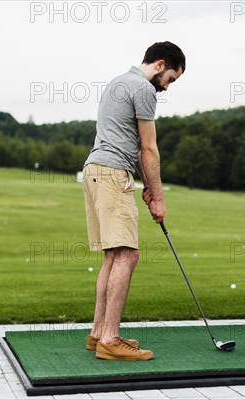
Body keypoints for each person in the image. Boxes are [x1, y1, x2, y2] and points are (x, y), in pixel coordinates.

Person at [82, 41, 186, 361]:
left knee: (113, 256)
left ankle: (99, 332)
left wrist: (143, 182)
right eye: (169, 79)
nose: (166, 88)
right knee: (128, 254)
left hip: (95, 170)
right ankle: (111, 339)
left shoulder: (118, 81)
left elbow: (126, 139)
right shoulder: (143, 89)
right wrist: (158, 195)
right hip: (113, 172)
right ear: (158, 65)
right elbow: (148, 148)